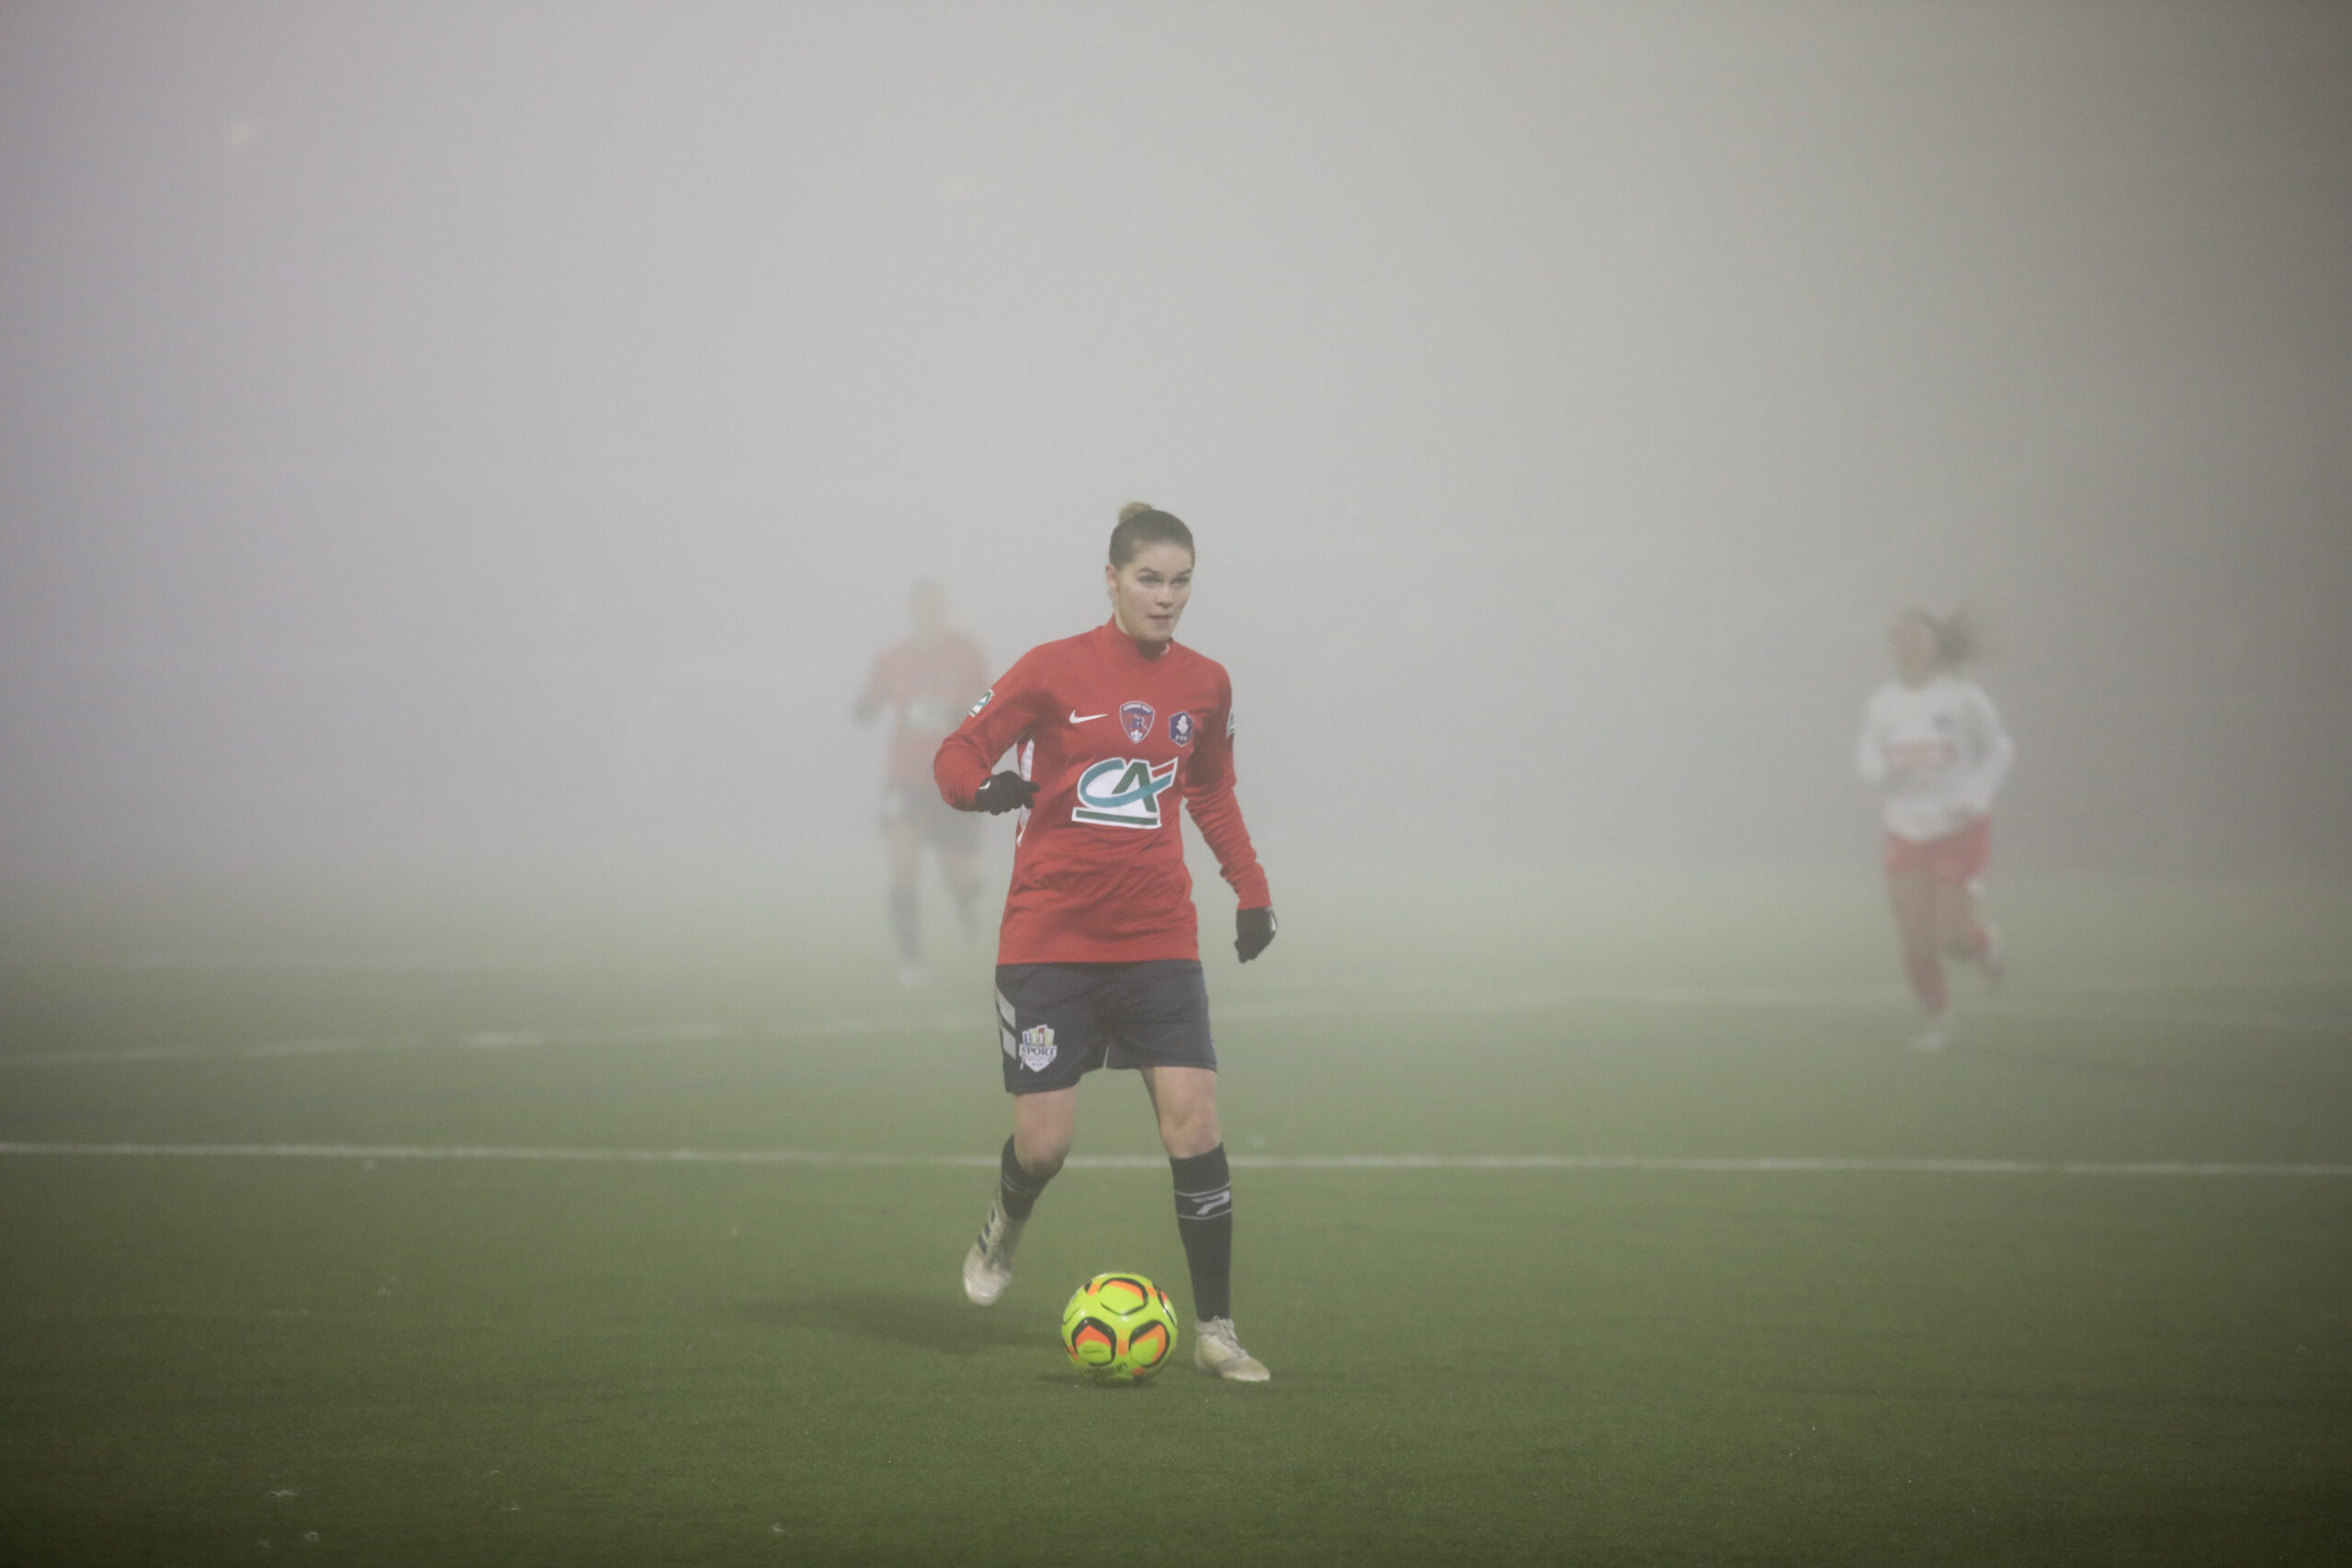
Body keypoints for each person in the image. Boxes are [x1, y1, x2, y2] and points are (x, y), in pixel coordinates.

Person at [933, 502, 1279, 1382]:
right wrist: (985, 789)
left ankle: (1218, 1330)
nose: (1168, 597)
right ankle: (1006, 1221)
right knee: (1045, 1146)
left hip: (1158, 936)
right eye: (1150, 579)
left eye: (1181, 580)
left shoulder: (1206, 682)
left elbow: (1211, 791)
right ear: (1114, 579)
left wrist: (1251, 889)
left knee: (1194, 1120)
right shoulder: (1052, 669)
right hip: (1050, 939)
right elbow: (956, 752)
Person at [1855, 607, 2015, 1051]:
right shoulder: (1882, 703)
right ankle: (1939, 1019)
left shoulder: (1963, 698)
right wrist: (1877, 772)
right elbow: (1868, 753)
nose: (1908, 648)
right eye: (1899, 640)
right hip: (1905, 827)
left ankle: (1985, 949)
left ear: (1933, 647)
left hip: (1960, 826)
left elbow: (2000, 750)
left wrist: (1977, 794)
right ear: (1891, 649)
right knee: (1915, 938)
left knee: (1953, 939)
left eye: (1917, 639)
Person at [854, 580, 990, 987]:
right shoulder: (893, 659)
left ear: (945, 609)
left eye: (936, 606)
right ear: (912, 611)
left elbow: (987, 707)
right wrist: (863, 710)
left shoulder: (967, 656)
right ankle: (911, 963)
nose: (929, 614)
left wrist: (962, 715)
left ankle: (967, 905)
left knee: (957, 872)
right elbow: (870, 703)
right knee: (903, 862)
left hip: (951, 778)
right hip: (905, 779)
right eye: (922, 607)